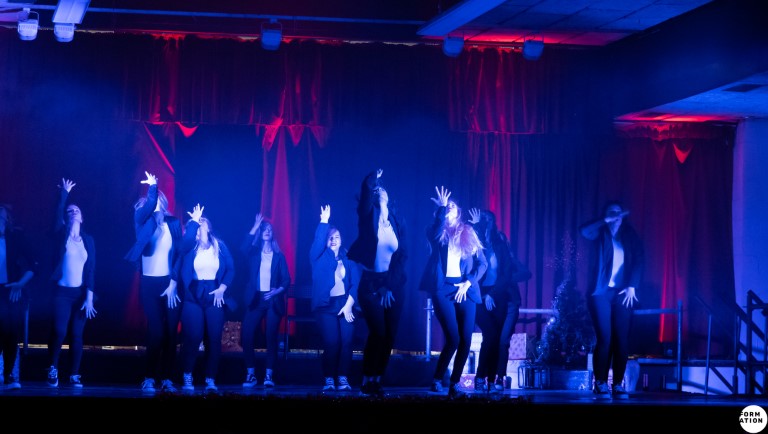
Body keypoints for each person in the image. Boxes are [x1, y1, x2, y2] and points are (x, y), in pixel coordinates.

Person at [419, 186, 486, 399]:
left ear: (459, 211)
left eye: (452, 206)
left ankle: (454, 383)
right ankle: (437, 378)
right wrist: (441, 208)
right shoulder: (437, 232)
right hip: (443, 288)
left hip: (465, 288)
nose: (449, 208)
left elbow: (482, 263)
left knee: (466, 338)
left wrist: (468, 282)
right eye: (446, 207)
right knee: (453, 338)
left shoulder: (469, 232)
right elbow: (434, 233)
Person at [124, 171, 186, 393]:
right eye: (150, 202)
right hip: (149, 285)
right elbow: (149, 204)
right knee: (156, 332)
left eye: (158, 199)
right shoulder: (142, 222)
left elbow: (180, 254)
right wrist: (152, 187)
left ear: (164, 203)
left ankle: (167, 378)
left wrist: (174, 282)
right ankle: (149, 377)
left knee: (170, 333)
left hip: (170, 284)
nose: (153, 204)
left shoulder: (174, 224)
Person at [347, 169, 407, 397]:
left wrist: (389, 286)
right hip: (371, 283)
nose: (380, 191)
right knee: (378, 333)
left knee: (390, 335)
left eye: (383, 189)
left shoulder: (397, 223)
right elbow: (364, 201)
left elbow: (402, 256)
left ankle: (377, 380)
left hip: (393, 284)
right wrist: (370, 181)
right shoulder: (367, 218)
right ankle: (366, 379)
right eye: (376, 190)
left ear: (389, 196)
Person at [579, 201, 643, 400]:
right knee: (605, 337)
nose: (616, 215)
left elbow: (639, 259)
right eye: (611, 212)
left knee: (621, 339)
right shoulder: (600, 233)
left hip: (623, 293)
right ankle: (600, 382)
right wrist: (605, 220)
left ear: (623, 216)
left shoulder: (629, 235)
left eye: (618, 212)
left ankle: (617, 384)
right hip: (601, 292)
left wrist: (632, 285)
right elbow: (584, 231)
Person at [467, 208, 531, 393]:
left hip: (497, 295)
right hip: (479, 295)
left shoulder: (500, 246)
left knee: (496, 338)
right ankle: (482, 376)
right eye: (483, 219)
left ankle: (492, 379)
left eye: (489, 219)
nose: (486, 222)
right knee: (490, 334)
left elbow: (507, 273)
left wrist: (493, 293)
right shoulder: (474, 244)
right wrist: (475, 226)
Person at [175, 205, 235, 393]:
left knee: (214, 338)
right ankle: (187, 374)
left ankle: (210, 378)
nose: (200, 223)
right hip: (193, 294)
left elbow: (231, 269)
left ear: (209, 227)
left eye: (203, 222)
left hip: (214, 293)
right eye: (197, 223)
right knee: (193, 337)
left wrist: (222, 288)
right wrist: (194, 221)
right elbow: (181, 248)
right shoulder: (189, 247)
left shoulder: (219, 246)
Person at [47, 178, 97, 388]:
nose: (73, 212)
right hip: (62, 293)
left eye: (77, 210)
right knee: (60, 331)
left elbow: (91, 270)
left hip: (80, 295)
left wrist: (89, 298)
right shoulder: (61, 236)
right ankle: (52, 368)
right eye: (70, 211)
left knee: (77, 335)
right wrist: (64, 194)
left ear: (82, 217)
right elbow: (58, 213)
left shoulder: (88, 240)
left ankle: (74, 374)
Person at [309, 204, 357, 392]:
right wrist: (324, 221)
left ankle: (343, 377)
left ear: (341, 239)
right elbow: (318, 240)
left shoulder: (349, 259)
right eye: (330, 237)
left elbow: (356, 283)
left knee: (347, 342)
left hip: (345, 304)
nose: (334, 240)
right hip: (325, 307)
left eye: (337, 237)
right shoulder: (317, 257)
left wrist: (349, 305)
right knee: (332, 343)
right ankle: (329, 378)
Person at [240, 213, 291, 389]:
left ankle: (269, 375)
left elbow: (286, 280)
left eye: (269, 229)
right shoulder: (253, 253)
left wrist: (277, 291)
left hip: (272, 301)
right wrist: (256, 226)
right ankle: (251, 374)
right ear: (260, 233)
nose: (267, 231)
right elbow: (243, 248)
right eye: (264, 229)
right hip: (256, 299)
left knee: (271, 337)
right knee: (247, 335)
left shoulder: (279, 256)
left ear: (272, 233)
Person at [0, 204, 36, 390]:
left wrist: (20, 283)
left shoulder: (15, 238)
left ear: (7, 220)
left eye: (2, 217)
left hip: (11, 291)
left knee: (11, 334)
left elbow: (33, 265)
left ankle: (8, 376)